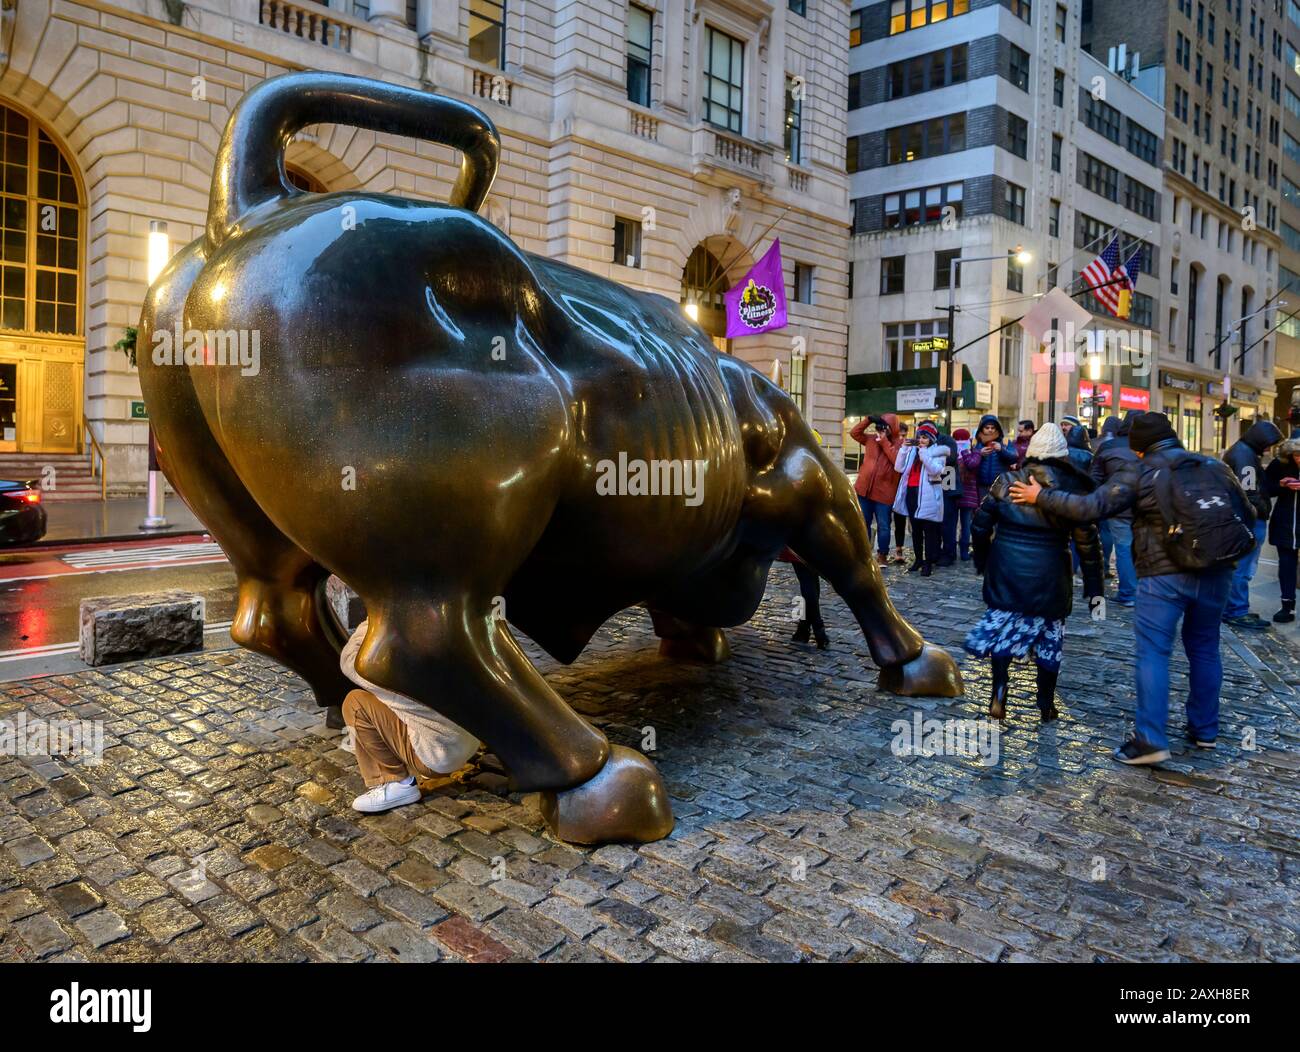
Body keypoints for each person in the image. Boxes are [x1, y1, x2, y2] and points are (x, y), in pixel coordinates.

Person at [1009, 411, 1252, 764]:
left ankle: (1150, 740)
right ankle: (1205, 731)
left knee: (1153, 652)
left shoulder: (1140, 471)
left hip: (1164, 575)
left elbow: (1091, 507)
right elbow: (1246, 513)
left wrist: (1040, 497)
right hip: (1216, 571)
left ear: (1138, 447)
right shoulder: (1213, 466)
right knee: (1205, 648)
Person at [966, 423, 1103, 722]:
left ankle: (999, 694)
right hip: (1050, 574)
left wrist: (984, 560)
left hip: (1006, 569)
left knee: (1002, 634)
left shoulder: (1007, 480)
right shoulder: (1072, 490)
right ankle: (1045, 704)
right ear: (1062, 456)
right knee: (1050, 640)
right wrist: (1095, 593)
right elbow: (1089, 546)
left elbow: (980, 525)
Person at [340, 620, 480, 812]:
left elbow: (349, 661)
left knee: (355, 703)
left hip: (437, 757)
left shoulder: (399, 664)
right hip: (468, 742)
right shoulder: (445, 632)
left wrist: (373, 619)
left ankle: (396, 784)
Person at [1221, 418, 1282, 629]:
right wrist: (1258, 512)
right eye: (1268, 444)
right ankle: (1236, 611)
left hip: (1244, 518)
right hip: (1249, 520)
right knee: (1243, 569)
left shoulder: (1242, 452)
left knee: (1240, 568)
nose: (1268, 449)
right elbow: (1249, 493)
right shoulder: (1245, 456)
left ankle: (1237, 608)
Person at [1091, 413, 1139, 606]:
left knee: (1124, 548)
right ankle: (1140, 592)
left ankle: (1129, 593)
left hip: (1117, 505)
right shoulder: (1150, 447)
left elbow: (1094, 477)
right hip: (1147, 506)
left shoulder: (1109, 446)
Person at [892, 421, 948, 576]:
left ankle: (928, 562)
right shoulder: (912, 451)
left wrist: (924, 453)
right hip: (911, 492)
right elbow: (899, 468)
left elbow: (936, 470)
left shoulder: (939, 451)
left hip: (928, 495)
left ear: (931, 438)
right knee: (915, 529)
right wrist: (904, 449)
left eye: (925, 437)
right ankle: (918, 559)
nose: (921, 440)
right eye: (919, 437)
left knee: (929, 530)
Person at [849, 413, 902, 566]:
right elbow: (854, 433)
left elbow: (896, 462)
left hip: (884, 493)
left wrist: (884, 440)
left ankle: (882, 555)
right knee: (862, 523)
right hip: (864, 489)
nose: (882, 429)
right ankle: (863, 553)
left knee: (883, 525)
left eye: (886, 426)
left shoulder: (899, 444)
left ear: (893, 428)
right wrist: (868, 420)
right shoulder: (871, 439)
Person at [1264, 438, 1300, 623]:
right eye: (1296, 455)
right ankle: (1287, 606)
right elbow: (1265, 487)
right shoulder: (1280, 464)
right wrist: (1281, 484)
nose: (1299, 459)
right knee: (1286, 563)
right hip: (1285, 521)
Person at [919, 418, 961, 567]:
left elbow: (951, 458)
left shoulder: (946, 441)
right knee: (934, 521)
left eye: (924, 435)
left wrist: (929, 454)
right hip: (931, 485)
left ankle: (949, 554)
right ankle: (935, 553)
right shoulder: (923, 443)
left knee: (948, 521)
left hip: (947, 484)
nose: (921, 438)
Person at [969, 415, 1019, 502]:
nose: (990, 430)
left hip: (1000, 485)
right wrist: (979, 453)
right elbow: (968, 463)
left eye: (993, 428)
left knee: (999, 511)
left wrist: (1001, 450)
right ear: (982, 429)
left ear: (997, 429)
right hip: (980, 485)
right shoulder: (974, 443)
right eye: (987, 427)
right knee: (982, 511)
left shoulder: (1005, 442)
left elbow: (1014, 458)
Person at [953, 426, 979, 560]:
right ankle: (954, 550)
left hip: (968, 494)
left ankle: (963, 550)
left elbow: (972, 465)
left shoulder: (973, 453)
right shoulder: (952, 453)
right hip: (954, 495)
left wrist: (964, 452)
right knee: (954, 524)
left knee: (965, 524)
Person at [890, 422, 911, 563]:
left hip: (901, 488)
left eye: (904, 435)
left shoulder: (909, 448)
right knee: (884, 522)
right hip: (888, 488)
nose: (902, 438)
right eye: (900, 435)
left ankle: (899, 548)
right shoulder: (890, 446)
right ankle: (882, 551)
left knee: (900, 520)